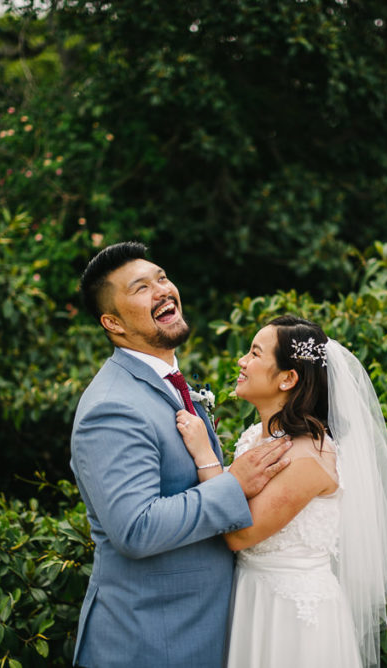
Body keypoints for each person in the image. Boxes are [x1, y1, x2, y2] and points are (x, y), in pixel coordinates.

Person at [69, 241, 292, 668]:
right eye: (140, 288)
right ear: (112, 323)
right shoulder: (111, 407)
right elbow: (135, 529)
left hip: (198, 632)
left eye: (162, 278)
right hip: (149, 641)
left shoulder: (168, 382)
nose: (162, 290)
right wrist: (235, 484)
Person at [177, 315, 387, 668]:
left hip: (290, 614)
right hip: (251, 597)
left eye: (255, 354)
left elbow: (240, 534)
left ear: (288, 378)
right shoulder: (257, 436)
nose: (242, 362)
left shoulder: (309, 454)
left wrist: (205, 457)